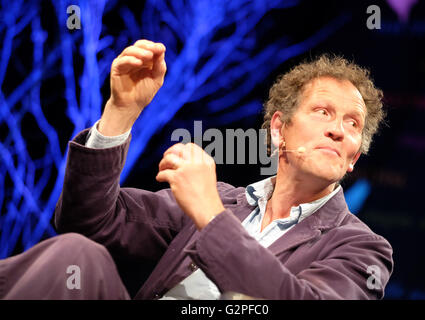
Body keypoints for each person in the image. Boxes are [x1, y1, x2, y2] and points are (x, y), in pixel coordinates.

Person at [0, 39, 393, 300]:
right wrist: (121, 114)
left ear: (354, 156)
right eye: (323, 112)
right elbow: (85, 219)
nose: (338, 130)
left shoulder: (361, 247)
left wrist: (211, 217)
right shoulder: (220, 199)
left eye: (352, 124)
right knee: (76, 255)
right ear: (278, 130)